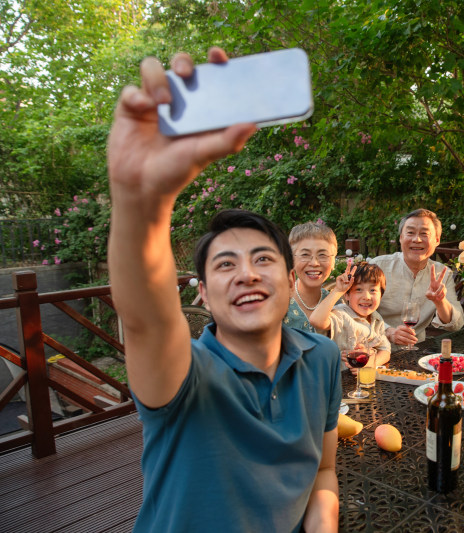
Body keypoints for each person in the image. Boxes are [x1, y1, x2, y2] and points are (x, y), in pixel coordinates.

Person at [107, 47, 340, 532]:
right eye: (225, 265)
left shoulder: (322, 358)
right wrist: (138, 199)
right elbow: (146, 318)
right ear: (205, 296)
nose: (247, 274)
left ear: (291, 279)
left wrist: (324, 521)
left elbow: (323, 470)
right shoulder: (184, 375)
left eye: (262, 259)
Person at [370, 209, 464, 347]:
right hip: (375, 347)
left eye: (424, 234)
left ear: (437, 240)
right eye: (410, 233)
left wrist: (440, 301)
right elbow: (355, 311)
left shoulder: (442, 273)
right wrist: (388, 332)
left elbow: (456, 324)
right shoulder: (377, 267)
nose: (417, 239)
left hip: (417, 351)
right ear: (401, 238)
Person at [310, 262, 391, 373]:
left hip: (361, 381)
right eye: (358, 290)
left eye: (372, 290)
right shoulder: (341, 315)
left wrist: (371, 363)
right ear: (347, 295)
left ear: (381, 295)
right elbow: (316, 320)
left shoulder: (376, 319)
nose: (366, 297)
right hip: (337, 381)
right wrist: (338, 290)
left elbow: (386, 350)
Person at [284, 221, 338, 333]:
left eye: (323, 255)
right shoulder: (277, 304)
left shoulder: (338, 304)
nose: (314, 263)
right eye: (305, 255)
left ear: (333, 262)